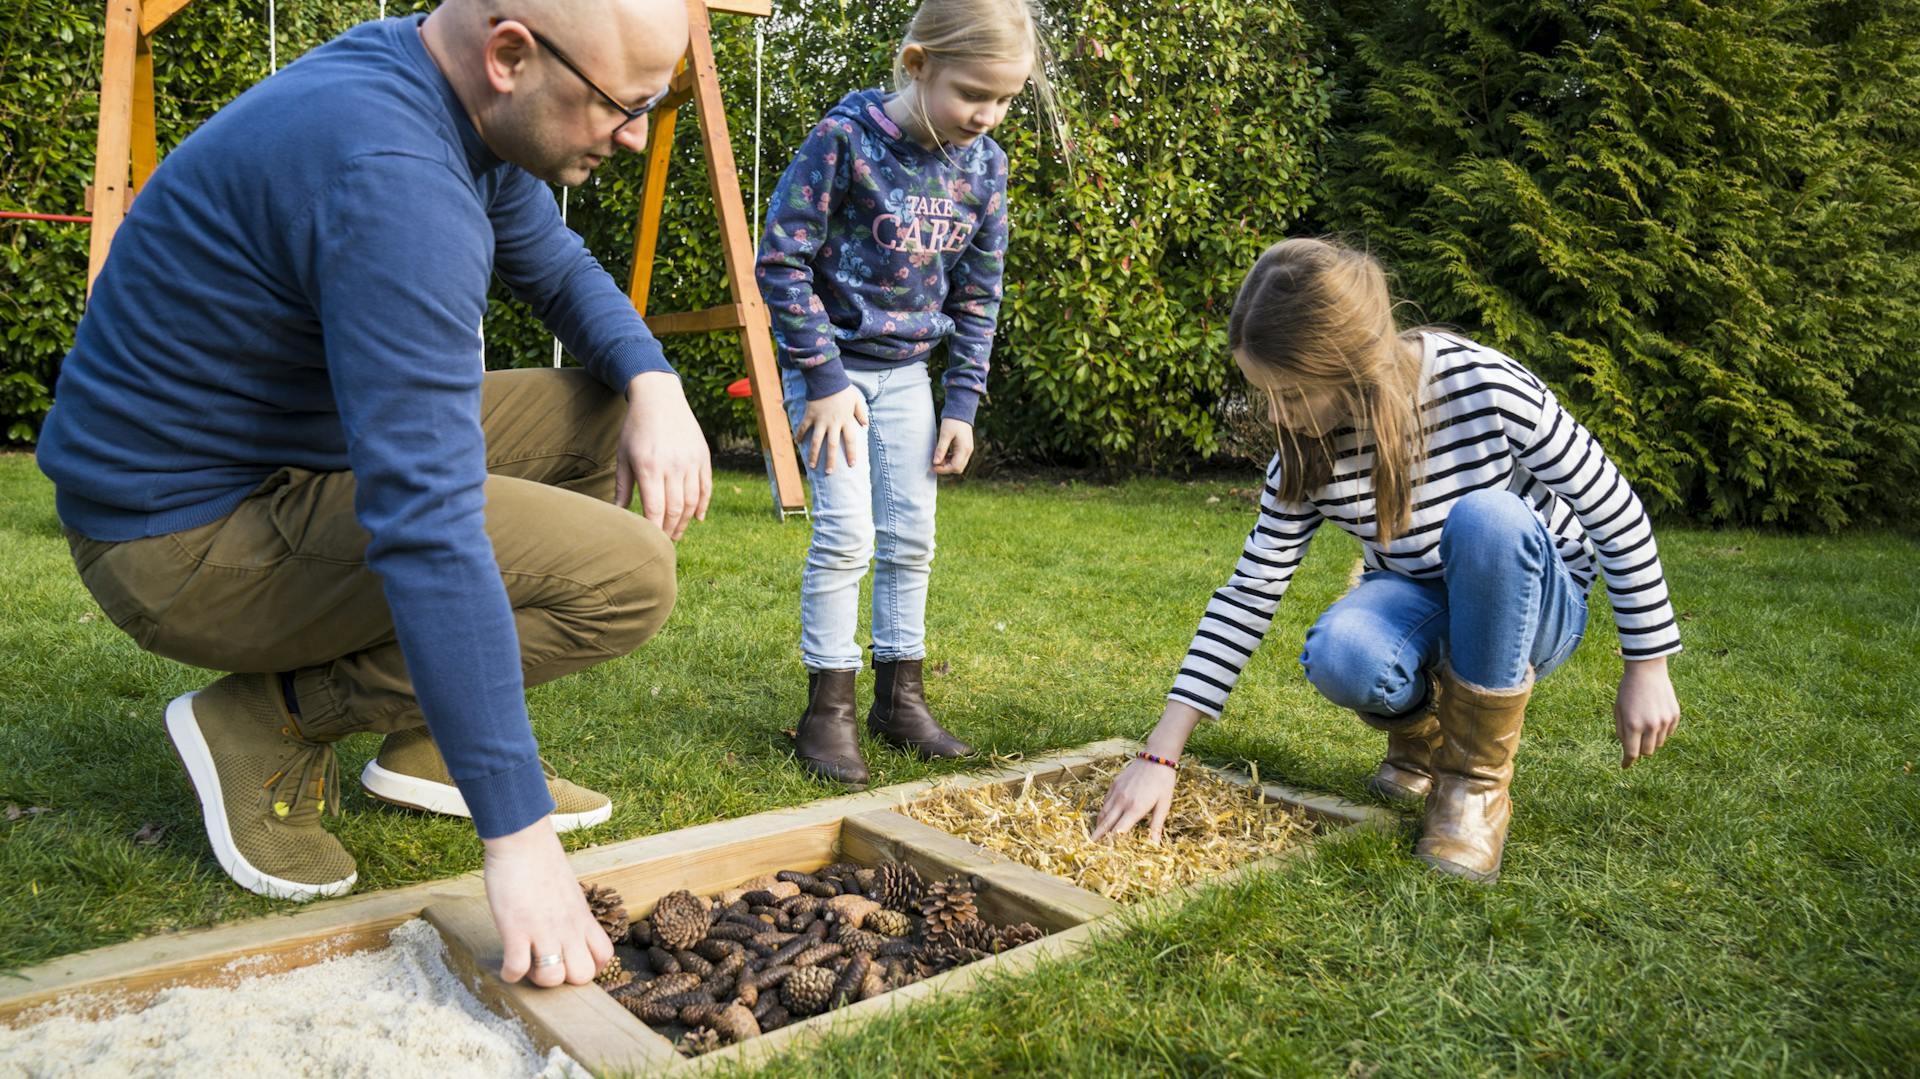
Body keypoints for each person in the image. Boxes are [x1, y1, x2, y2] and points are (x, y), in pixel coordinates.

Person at [35, 0, 710, 986]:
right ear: (511, 54)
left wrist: (656, 380)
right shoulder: (392, 179)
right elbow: (427, 522)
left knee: (605, 414)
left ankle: (428, 738)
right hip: (178, 539)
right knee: (626, 577)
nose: (638, 133)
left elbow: (557, 265)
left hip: (282, 461)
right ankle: (272, 720)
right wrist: (514, 829)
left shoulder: (438, 89)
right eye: (623, 104)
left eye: (659, 103)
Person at [1090, 238, 1683, 882]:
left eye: (1290, 395)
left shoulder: (1481, 384)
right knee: (1342, 651)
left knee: (1486, 518)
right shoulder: (1304, 450)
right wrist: (1161, 754)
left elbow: (1614, 509)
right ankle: (1428, 734)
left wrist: (1646, 664)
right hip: (1420, 596)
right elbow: (1250, 589)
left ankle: (1473, 789)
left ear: (1350, 365)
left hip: (1533, 601)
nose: (1274, 414)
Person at [753, 0, 1068, 785]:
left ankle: (901, 701)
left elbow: (978, 293)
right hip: (832, 373)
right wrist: (822, 380)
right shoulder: (845, 141)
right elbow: (782, 262)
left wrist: (961, 402)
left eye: (1004, 101)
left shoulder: (984, 167)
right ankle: (827, 712)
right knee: (846, 536)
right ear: (919, 63)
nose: (987, 116)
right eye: (973, 95)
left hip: (909, 377)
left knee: (911, 537)